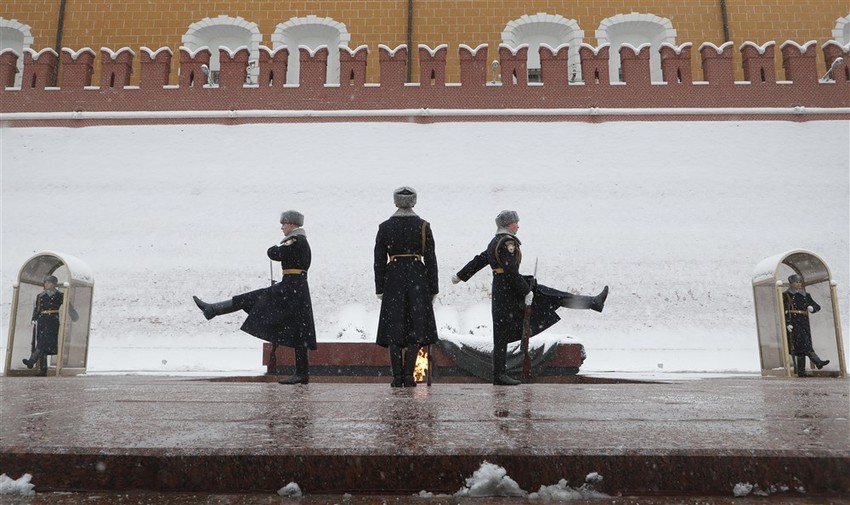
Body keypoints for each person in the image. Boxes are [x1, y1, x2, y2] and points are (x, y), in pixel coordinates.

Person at [453, 210, 608, 385]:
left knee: (502, 332)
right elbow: (510, 271)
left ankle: (499, 374)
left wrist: (460, 276)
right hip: (510, 289)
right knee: (552, 298)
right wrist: (526, 291)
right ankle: (499, 375)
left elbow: (480, 260)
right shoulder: (507, 243)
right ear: (508, 224)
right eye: (515, 223)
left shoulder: (495, 241)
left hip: (501, 289)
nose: (518, 226)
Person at [193, 210, 316, 385]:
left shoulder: (297, 241)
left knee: (255, 301)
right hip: (295, 287)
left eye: (283, 224)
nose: (282, 227)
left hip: (291, 288)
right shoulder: (299, 241)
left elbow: (276, 254)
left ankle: (213, 309)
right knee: (299, 329)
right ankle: (302, 373)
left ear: (292, 224)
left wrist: (272, 249)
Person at [374, 186, 439, 387]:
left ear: (395, 202)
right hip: (417, 277)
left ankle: (397, 377)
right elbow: (431, 258)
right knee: (415, 327)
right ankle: (409, 376)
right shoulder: (423, 226)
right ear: (414, 202)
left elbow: (378, 260)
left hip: (393, 278)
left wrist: (380, 287)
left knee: (394, 328)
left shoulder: (385, 227)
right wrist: (433, 287)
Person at [783, 274, 829, 377]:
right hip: (794, 322)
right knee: (804, 344)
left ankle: (801, 372)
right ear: (791, 283)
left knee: (800, 347)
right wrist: (788, 323)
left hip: (804, 322)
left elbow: (817, 306)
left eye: (800, 282)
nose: (798, 284)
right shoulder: (786, 295)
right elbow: (784, 311)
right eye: (796, 282)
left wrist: (812, 308)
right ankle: (818, 362)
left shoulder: (806, 295)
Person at [23, 275, 70, 371]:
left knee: (43, 343)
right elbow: (37, 308)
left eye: (49, 282)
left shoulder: (60, 295)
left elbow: (68, 306)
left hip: (52, 320)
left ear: (54, 284)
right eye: (45, 282)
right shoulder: (40, 295)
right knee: (42, 342)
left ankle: (32, 361)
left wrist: (74, 316)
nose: (46, 284)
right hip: (42, 320)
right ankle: (43, 370)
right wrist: (34, 318)